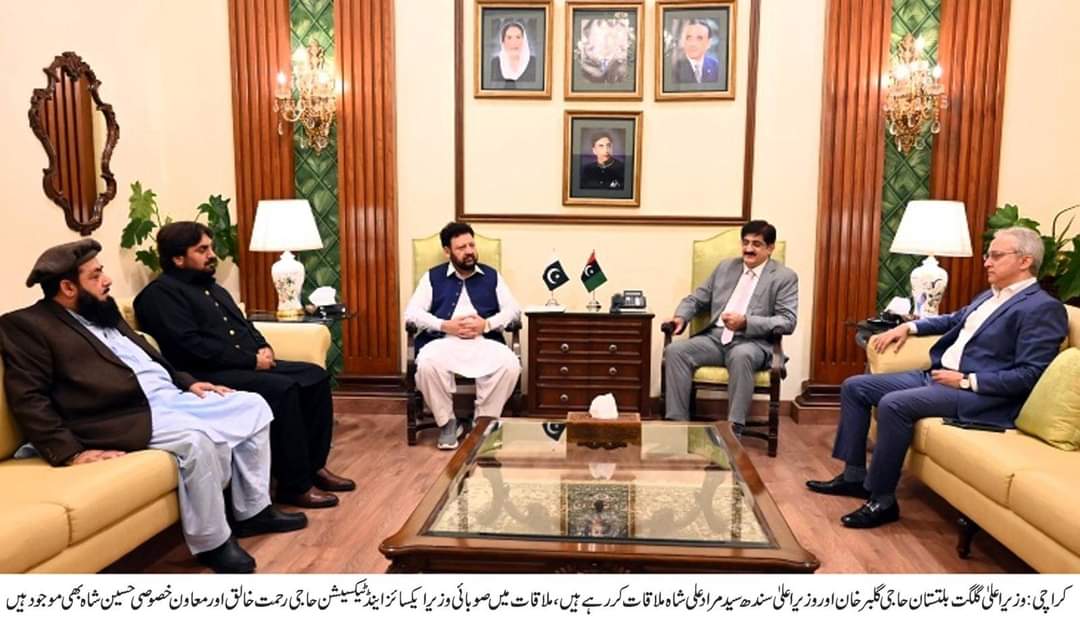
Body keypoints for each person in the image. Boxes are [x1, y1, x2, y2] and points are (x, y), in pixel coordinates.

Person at [0, 239, 307, 573]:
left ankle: (254, 511)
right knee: (197, 441)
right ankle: (214, 542)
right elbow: (29, 397)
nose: (107, 280)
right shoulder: (28, 325)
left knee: (253, 405)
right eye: (96, 275)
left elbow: (148, 357)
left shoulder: (101, 309)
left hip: (168, 397)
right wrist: (70, 452)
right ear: (68, 287)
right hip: (122, 413)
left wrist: (187, 382)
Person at [806, 227, 1068, 529]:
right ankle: (854, 476)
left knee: (893, 405)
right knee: (855, 387)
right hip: (937, 377)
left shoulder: (1043, 308)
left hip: (979, 395)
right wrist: (908, 327)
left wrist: (966, 380)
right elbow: (953, 319)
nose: (987, 262)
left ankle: (882, 500)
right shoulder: (990, 295)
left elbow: (1029, 375)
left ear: (1025, 261)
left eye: (996, 256)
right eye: (988, 255)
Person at [134, 222, 354, 510]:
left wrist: (264, 346)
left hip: (245, 365)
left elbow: (245, 326)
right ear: (177, 258)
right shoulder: (159, 296)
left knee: (315, 376)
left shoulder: (212, 288)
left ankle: (315, 466)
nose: (212, 255)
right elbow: (190, 347)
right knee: (283, 389)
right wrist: (251, 361)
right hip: (205, 374)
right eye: (202, 250)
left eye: (211, 248)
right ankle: (294, 485)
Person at [663, 220, 798, 434]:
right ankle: (677, 427)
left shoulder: (784, 277)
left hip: (753, 343)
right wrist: (681, 317)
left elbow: (787, 320)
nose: (749, 249)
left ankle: (733, 430)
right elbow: (696, 299)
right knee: (675, 351)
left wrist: (746, 322)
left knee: (741, 355)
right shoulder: (725, 267)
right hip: (716, 339)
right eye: (745, 243)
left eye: (756, 244)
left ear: (770, 248)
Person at [404, 222, 521, 450]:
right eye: (461, 247)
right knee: (426, 364)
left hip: (483, 340)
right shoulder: (432, 277)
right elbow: (412, 313)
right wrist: (444, 325)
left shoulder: (491, 276)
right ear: (447, 251)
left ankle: (483, 423)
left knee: (510, 365)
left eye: (471, 245)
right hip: (444, 341)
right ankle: (448, 423)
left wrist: (486, 324)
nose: (469, 251)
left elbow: (513, 310)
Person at [672, 20, 721, 85]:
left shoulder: (716, 66)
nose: (693, 43)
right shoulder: (674, 67)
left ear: (708, 43)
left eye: (699, 38)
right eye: (689, 38)